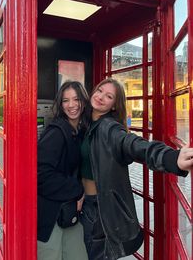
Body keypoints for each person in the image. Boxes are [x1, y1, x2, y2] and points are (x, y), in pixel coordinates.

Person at [80, 78, 193, 260]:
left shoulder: (110, 129)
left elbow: (134, 144)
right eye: (100, 91)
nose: (101, 97)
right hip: (84, 202)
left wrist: (170, 157)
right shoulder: (87, 123)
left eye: (108, 96)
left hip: (101, 208)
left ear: (114, 106)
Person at [37, 81, 89, 260]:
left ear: (83, 101)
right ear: (60, 104)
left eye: (76, 99)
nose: (72, 105)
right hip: (50, 215)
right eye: (66, 100)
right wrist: (77, 190)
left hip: (68, 212)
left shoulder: (78, 130)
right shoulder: (57, 132)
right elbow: (40, 174)